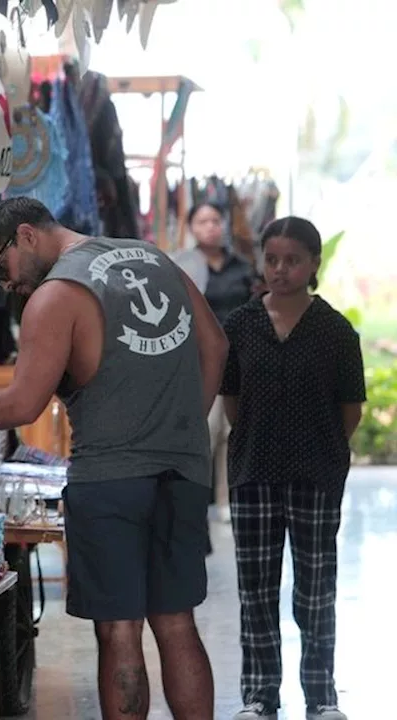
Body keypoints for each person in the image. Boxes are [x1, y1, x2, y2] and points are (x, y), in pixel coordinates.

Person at [0, 197, 226, 720]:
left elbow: (22, 403)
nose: (6, 285)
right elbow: (216, 346)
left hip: (110, 482)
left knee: (120, 630)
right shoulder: (154, 259)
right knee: (177, 622)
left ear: (27, 236)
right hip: (182, 471)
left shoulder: (57, 295)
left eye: (2, 267)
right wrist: (181, 431)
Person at [222, 217, 365, 720]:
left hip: (317, 474)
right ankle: (260, 695)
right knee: (256, 588)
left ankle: (321, 696)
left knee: (315, 588)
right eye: (272, 259)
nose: (281, 270)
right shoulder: (240, 325)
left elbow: (351, 408)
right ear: (262, 261)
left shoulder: (335, 331)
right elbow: (232, 402)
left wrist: (318, 448)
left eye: (293, 260)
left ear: (314, 264)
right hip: (253, 471)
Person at [173, 201, 256, 518]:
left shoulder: (241, 267)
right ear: (191, 227)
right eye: (203, 221)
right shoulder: (183, 265)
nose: (211, 226)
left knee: (232, 431)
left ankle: (225, 501)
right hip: (199, 357)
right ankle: (197, 500)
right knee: (205, 426)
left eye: (216, 220)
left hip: (240, 356)